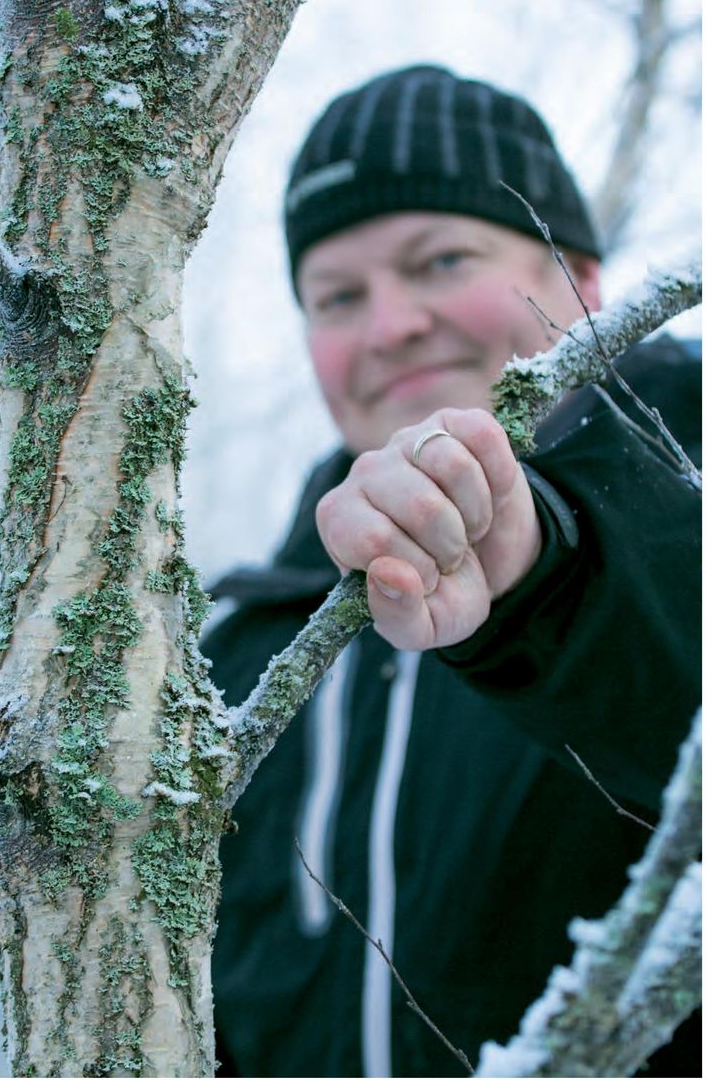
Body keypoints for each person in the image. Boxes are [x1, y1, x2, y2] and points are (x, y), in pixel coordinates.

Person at [203, 65, 701, 1078]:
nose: (389, 326)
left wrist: (540, 578)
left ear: (580, 279)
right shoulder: (247, 648)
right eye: (338, 295)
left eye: (439, 260)